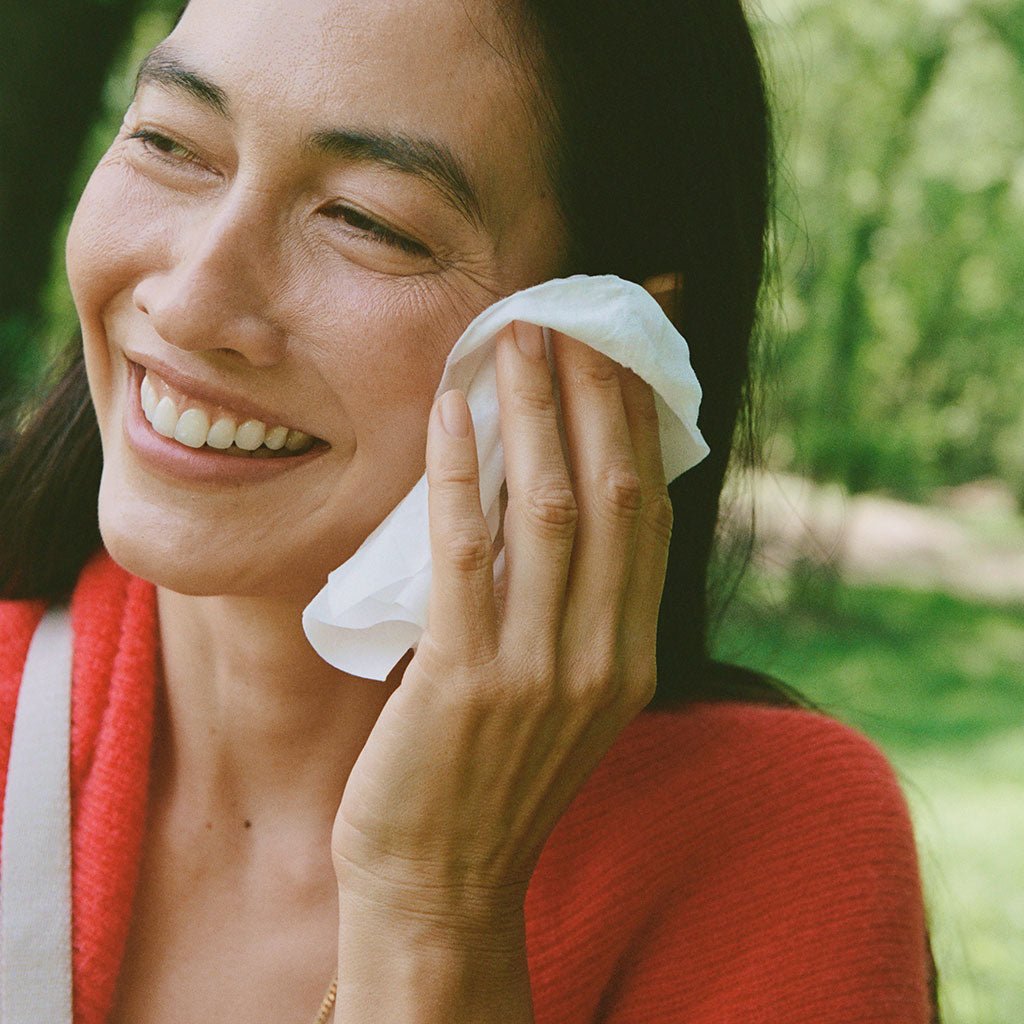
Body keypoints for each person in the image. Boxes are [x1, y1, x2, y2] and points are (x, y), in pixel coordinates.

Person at [0, 0, 937, 1021]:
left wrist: (433, 910)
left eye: (367, 219)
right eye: (172, 143)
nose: (188, 303)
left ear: (607, 336)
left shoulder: (772, 847)